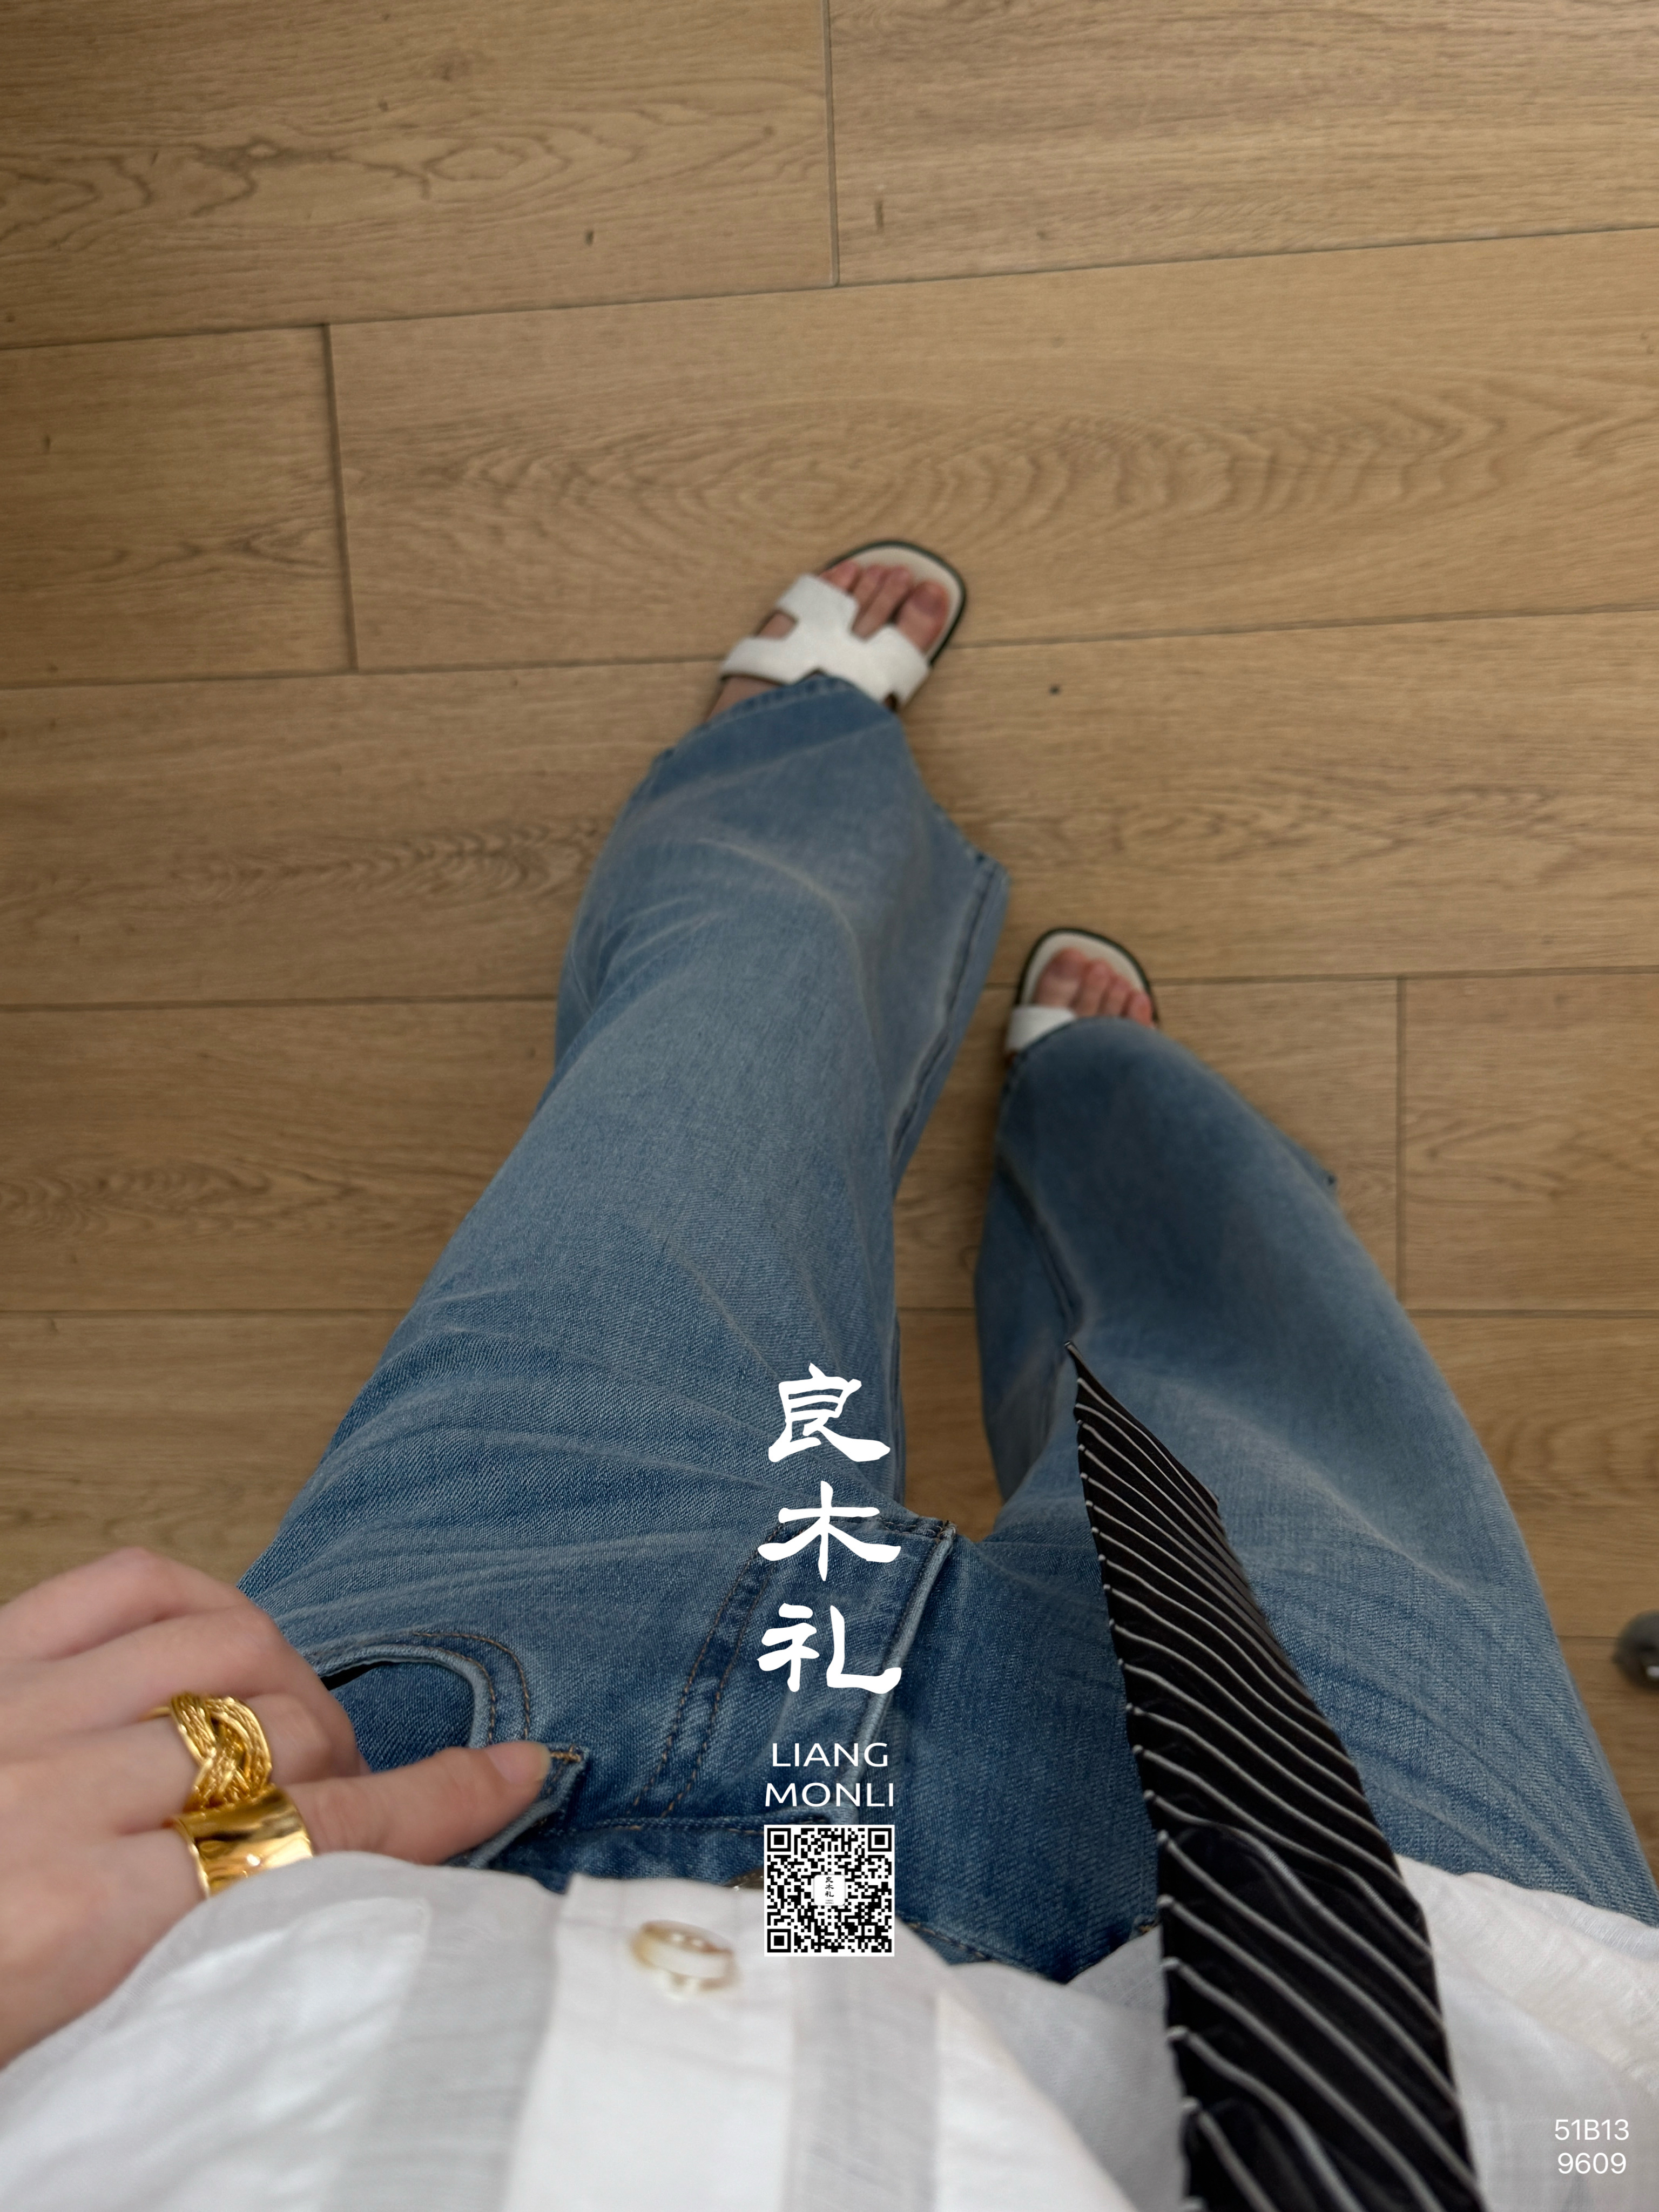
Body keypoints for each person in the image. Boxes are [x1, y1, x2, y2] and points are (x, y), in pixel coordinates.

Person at [1, 552, 1655, 2212]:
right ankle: (1112, 1107)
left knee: (715, 1048)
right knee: (1251, 1358)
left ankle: (806, 784)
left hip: (375, 1845)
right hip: (1387, 1951)